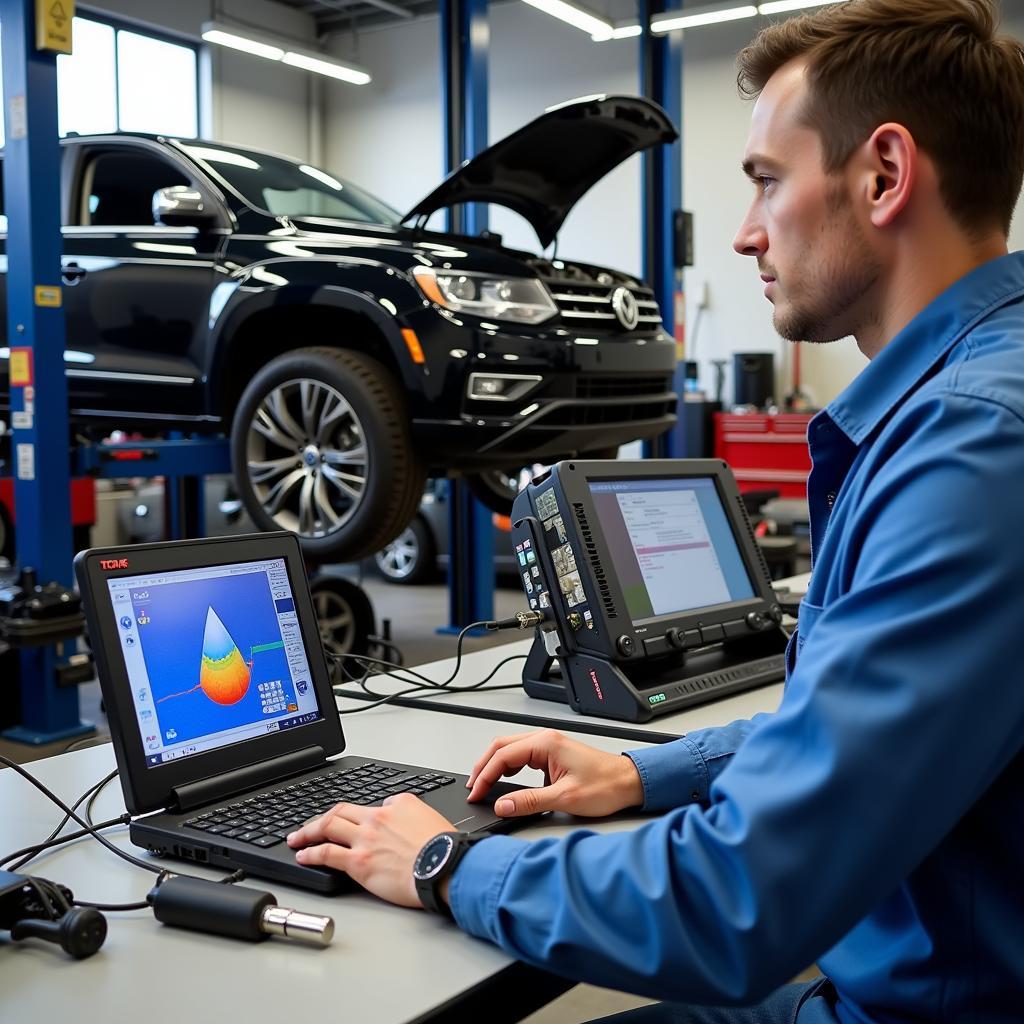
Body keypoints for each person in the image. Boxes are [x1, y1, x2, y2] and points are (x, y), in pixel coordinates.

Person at [287, 1, 1024, 1019]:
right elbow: (851, 741)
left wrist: (447, 861)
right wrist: (645, 771)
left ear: (884, 176)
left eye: (767, 179)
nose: (744, 230)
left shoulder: (972, 451)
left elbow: (739, 900)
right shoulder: (982, 399)